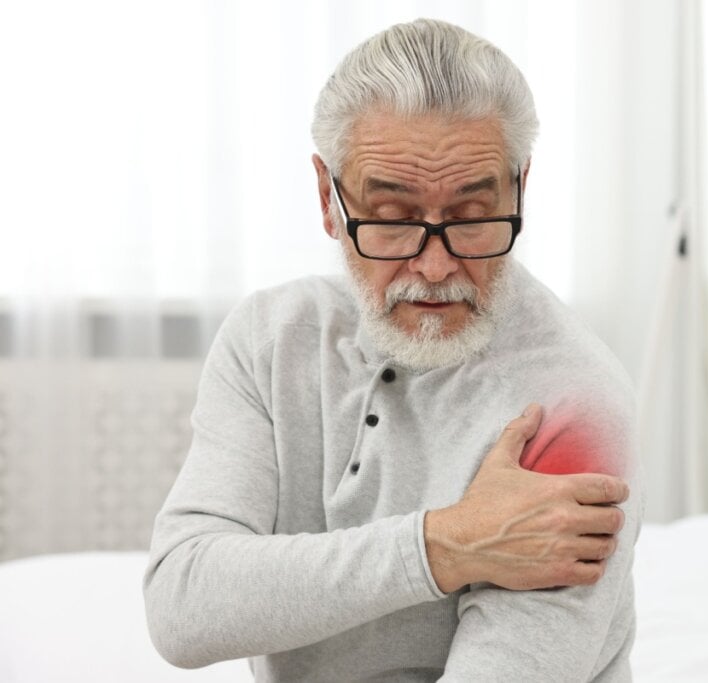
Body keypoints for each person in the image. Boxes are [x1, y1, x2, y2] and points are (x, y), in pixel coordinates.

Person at [144, 18, 641, 682]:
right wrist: (447, 544)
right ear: (328, 198)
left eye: (471, 218)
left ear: (520, 188)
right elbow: (181, 606)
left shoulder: (574, 405)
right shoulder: (270, 337)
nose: (435, 267)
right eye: (394, 219)